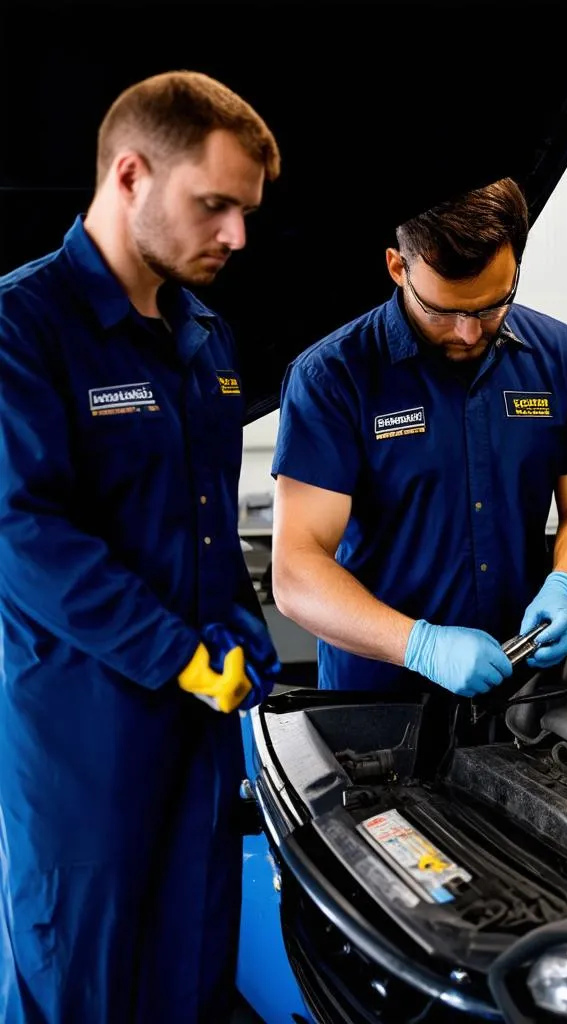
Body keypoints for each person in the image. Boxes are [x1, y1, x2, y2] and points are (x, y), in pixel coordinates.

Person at [0, 72, 282, 1024]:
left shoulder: (207, 335)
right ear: (130, 175)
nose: (236, 236)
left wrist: (241, 632)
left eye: (244, 211)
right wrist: (179, 656)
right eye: (215, 205)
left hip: (202, 724)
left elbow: (206, 518)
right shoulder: (21, 328)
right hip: (85, 728)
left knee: (191, 966)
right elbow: (22, 532)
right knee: (80, 974)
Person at [270, 178, 567, 698]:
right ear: (399, 268)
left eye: (492, 306)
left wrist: (565, 585)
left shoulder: (558, 357)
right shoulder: (335, 376)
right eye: (443, 311)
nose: (469, 333)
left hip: (526, 690)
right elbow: (296, 570)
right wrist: (420, 645)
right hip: (380, 701)